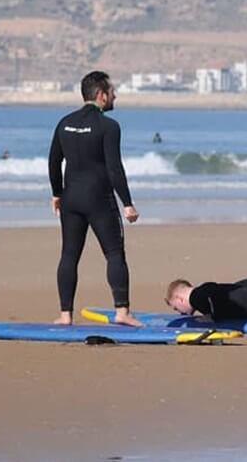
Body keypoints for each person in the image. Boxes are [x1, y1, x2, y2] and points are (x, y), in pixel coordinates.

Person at [48, 71, 140, 326]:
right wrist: (128, 203)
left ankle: (65, 315)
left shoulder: (64, 122)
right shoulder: (109, 126)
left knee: (69, 255)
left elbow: (54, 161)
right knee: (114, 253)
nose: (115, 96)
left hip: (71, 199)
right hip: (99, 199)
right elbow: (114, 168)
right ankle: (122, 312)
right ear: (101, 95)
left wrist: (57, 193)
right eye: (112, 92)